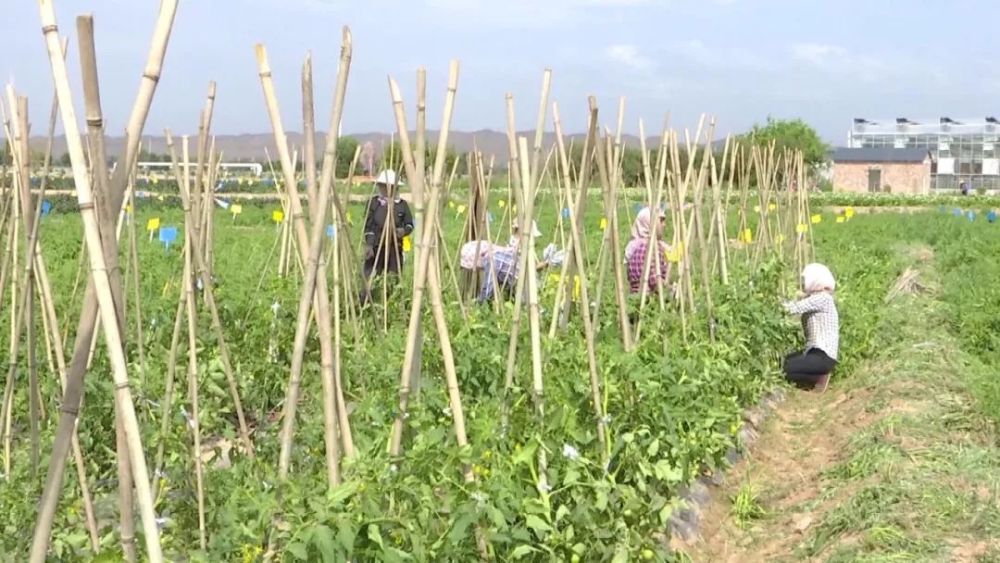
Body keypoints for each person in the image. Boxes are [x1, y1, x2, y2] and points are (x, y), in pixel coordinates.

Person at [782, 263, 839, 391]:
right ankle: (814, 375)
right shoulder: (819, 297)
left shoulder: (822, 298)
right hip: (815, 354)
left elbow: (793, 308)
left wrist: (774, 303)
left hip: (822, 356)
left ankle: (818, 377)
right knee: (785, 361)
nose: (803, 283)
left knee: (784, 369)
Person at [360, 169, 414, 305]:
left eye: (389, 186)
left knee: (393, 277)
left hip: (394, 247)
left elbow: (409, 225)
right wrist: (369, 244)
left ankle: (391, 304)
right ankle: (365, 304)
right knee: (370, 277)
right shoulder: (374, 203)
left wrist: (403, 231)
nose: (386, 189)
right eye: (383, 186)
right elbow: (368, 226)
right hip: (376, 247)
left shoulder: (402, 205)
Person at [625, 207, 672, 295]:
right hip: (649, 299)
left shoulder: (634, 246)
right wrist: (671, 290)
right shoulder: (650, 248)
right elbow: (655, 282)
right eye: (661, 221)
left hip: (635, 298)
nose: (664, 224)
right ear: (649, 224)